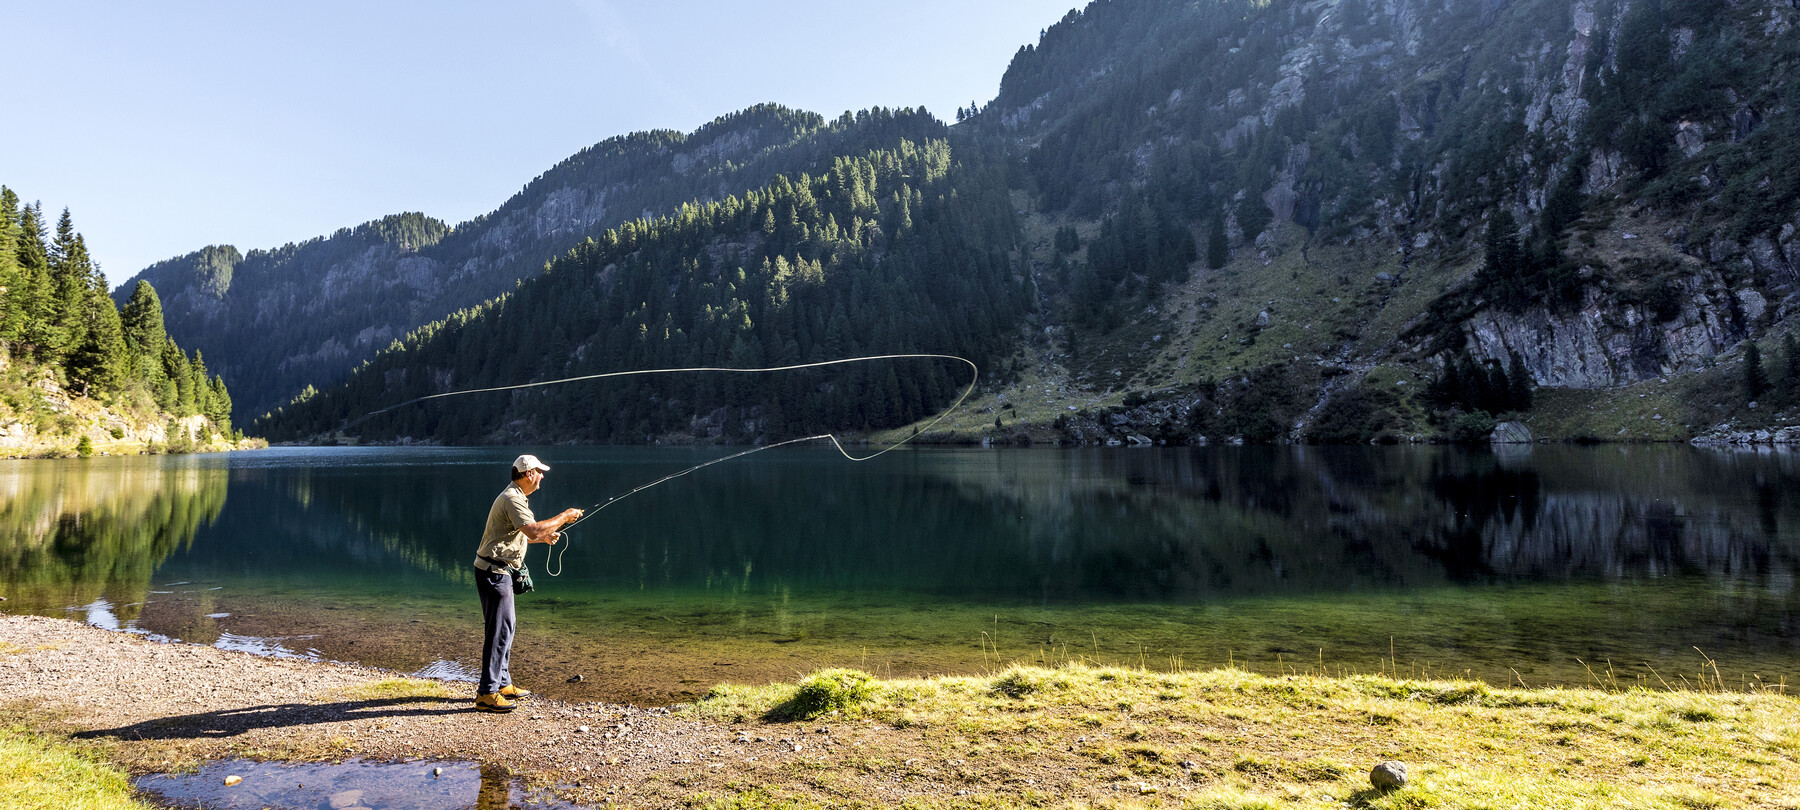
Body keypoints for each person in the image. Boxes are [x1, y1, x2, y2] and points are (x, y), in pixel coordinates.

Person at [472, 454, 583, 713]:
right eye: (539, 472)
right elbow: (532, 529)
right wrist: (565, 516)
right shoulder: (512, 498)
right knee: (498, 632)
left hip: (499, 570)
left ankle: (502, 684)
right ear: (527, 473)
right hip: (494, 572)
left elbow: (519, 534)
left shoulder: (516, 497)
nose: (542, 475)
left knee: (506, 629)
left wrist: (542, 539)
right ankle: (486, 693)